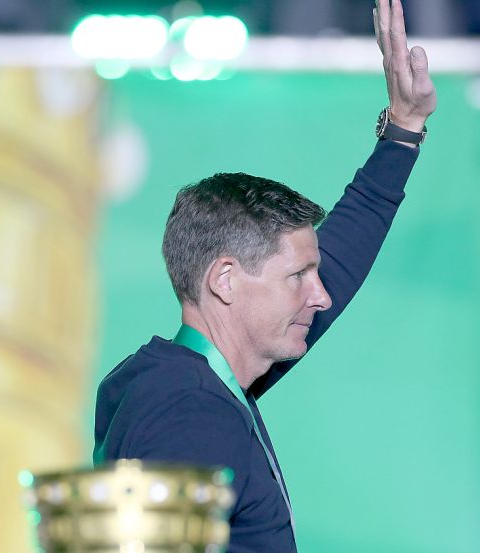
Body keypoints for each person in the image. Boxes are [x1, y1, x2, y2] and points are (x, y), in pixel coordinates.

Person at [92, 1, 437, 551]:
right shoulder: (187, 410)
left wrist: (403, 131)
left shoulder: (183, 384)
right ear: (225, 281)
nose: (320, 295)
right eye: (298, 275)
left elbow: (338, 262)